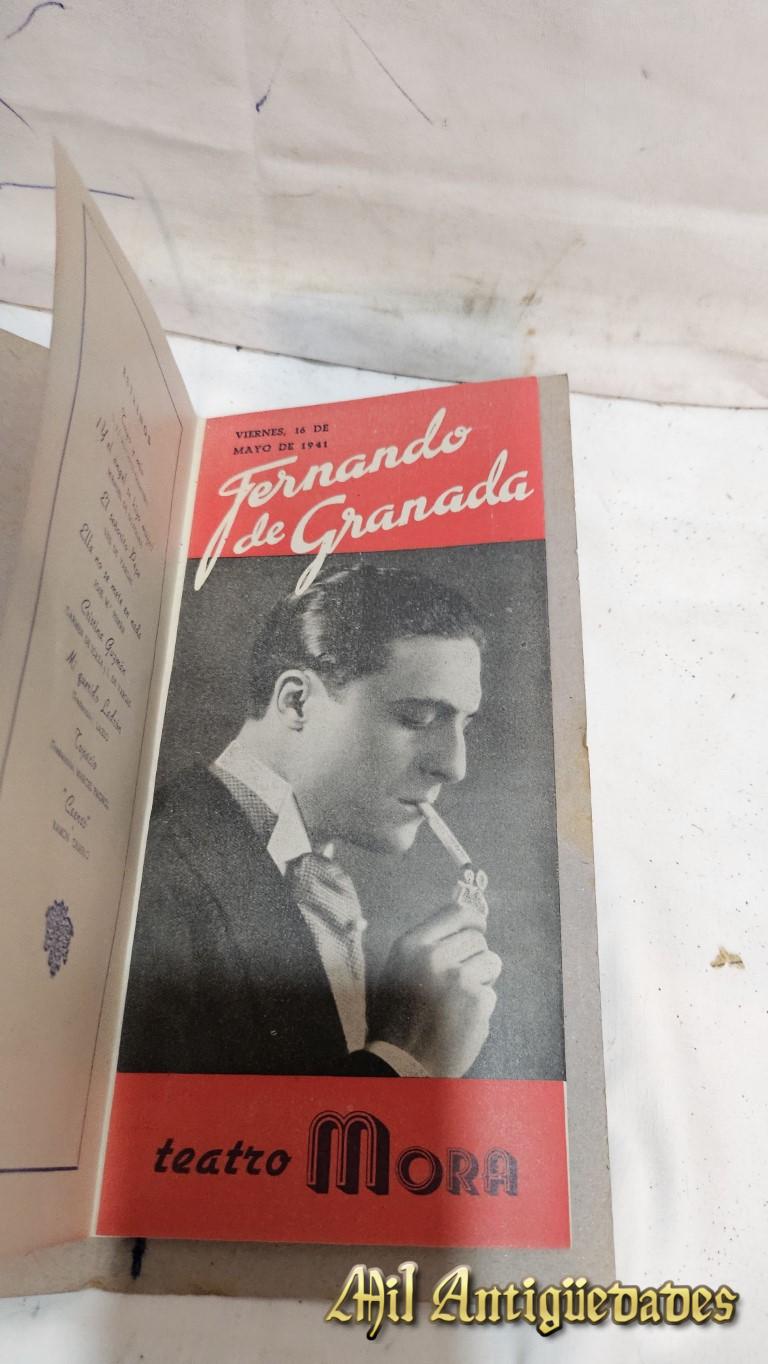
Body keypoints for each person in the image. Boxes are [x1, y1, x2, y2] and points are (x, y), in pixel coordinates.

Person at [118, 562, 502, 1078]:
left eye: (465, 725)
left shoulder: (302, 871)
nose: (454, 766)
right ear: (297, 702)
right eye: (417, 718)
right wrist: (406, 1059)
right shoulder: (157, 876)